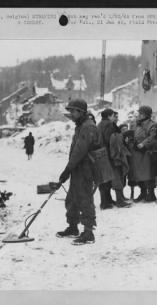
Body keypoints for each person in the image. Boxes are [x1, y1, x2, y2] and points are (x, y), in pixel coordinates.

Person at [55, 99, 100, 245]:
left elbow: (79, 151)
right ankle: (73, 226)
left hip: (86, 169)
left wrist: (67, 170)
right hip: (78, 168)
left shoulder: (88, 127)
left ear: (81, 112)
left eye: (73, 111)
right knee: (72, 198)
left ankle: (88, 232)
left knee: (84, 199)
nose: (71, 114)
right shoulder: (81, 126)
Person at [132, 105, 157, 202]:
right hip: (137, 152)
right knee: (139, 174)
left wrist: (143, 144)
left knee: (148, 173)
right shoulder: (137, 124)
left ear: (146, 115)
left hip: (147, 151)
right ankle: (143, 193)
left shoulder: (153, 125)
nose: (139, 115)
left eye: (141, 113)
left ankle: (151, 194)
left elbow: (152, 136)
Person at [96, 108, 117, 209]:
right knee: (106, 178)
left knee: (103, 177)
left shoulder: (100, 124)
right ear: (109, 116)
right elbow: (110, 140)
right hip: (106, 153)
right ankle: (105, 202)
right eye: (113, 115)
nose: (114, 117)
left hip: (99, 152)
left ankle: (107, 199)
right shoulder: (108, 124)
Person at [109, 123, 132, 207]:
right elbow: (117, 149)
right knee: (117, 180)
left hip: (117, 159)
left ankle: (121, 198)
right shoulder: (116, 136)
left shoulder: (117, 136)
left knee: (121, 179)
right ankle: (119, 201)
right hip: (117, 160)